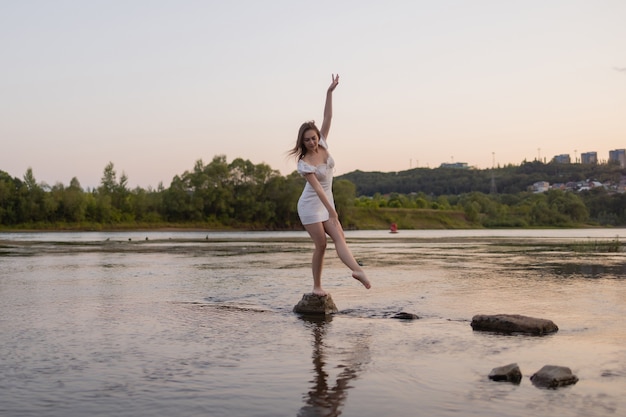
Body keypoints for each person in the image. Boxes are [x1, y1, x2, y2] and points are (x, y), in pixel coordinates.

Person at [289, 74, 371, 296]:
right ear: (302, 142)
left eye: (314, 137)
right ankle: (317, 286)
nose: (312, 142)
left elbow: (328, 116)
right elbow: (316, 189)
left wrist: (329, 92)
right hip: (310, 206)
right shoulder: (304, 164)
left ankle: (357, 271)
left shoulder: (324, 144)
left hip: (327, 201)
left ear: (318, 137)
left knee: (339, 237)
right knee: (322, 245)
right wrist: (332, 212)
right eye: (307, 140)